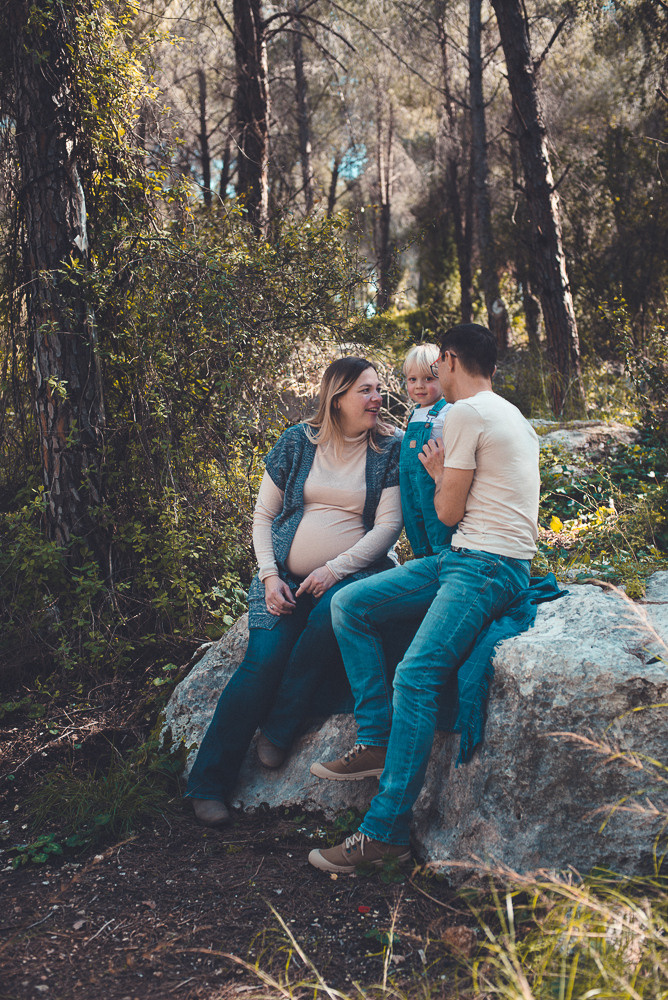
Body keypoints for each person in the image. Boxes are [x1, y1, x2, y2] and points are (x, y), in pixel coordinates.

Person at [307, 323, 540, 873]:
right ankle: (377, 739)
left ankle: (384, 833)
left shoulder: (465, 414)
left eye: (438, 365)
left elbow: (446, 513)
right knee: (350, 604)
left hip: (486, 566)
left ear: (452, 360)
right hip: (468, 559)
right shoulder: (514, 415)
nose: (433, 375)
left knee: (415, 674)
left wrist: (437, 474)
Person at [186, 356, 403, 827]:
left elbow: (388, 528)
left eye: (378, 389)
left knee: (332, 617)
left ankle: (281, 728)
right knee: (262, 661)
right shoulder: (296, 442)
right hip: (283, 577)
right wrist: (269, 576)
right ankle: (207, 785)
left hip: (354, 574)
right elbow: (264, 516)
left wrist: (333, 569)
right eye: (365, 390)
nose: (377, 398)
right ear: (337, 397)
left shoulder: (390, 448)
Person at [400, 343, 455, 557]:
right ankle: (422, 560)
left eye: (428, 379)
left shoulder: (448, 410)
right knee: (414, 524)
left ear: (443, 378)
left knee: (437, 525)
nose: (419, 386)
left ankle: (443, 558)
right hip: (410, 485)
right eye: (413, 379)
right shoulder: (414, 413)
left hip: (433, 483)